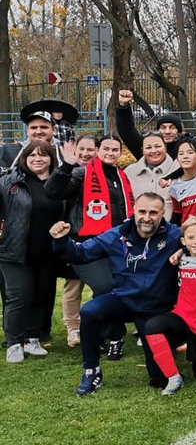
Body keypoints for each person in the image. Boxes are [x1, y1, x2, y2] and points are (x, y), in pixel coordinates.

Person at [49, 192, 182, 395]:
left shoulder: (174, 234)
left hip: (155, 310)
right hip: (124, 300)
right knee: (90, 311)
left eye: (153, 213)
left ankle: (173, 347)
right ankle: (91, 371)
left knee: (159, 379)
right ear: (134, 211)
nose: (147, 217)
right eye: (142, 211)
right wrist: (61, 240)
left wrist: (186, 249)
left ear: (163, 213)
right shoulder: (116, 235)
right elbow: (80, 254)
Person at [45, 135, 134, 359]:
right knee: (105, 287)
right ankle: (109, 333)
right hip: (87, 243)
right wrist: (66, 165)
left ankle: (108, 336)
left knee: (114, 289)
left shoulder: (122, 176)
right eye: (106, 148)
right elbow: (54, 192)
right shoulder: (81, 173)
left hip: (116, 243)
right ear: (97, 150)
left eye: (115, 149)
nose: (110, 153)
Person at [143, 215, 196, 395]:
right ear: (183, 240)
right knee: (152, 327)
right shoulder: (179, 258)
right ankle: (174, 377)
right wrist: (182, 251)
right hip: (182, 318)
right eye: (191, 238)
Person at [0, 141, 64, 362]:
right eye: (33, 155)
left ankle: (32, 338)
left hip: (47, 252)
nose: (38, 159)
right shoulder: (10, 182)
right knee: (19, 296)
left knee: (41, 295)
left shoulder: (57, 184)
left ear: (50, 158)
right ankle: (13, 342)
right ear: (24, 158)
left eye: (43, 155)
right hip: (16, 251)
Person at [60, 134, 99, 347]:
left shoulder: (103, 174)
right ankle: (72, 327)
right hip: (75, 234)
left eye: (90, 150)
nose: (85, 154)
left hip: (98, 235)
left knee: (100, 284)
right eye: (81, 149)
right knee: (73, 285)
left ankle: (95, 323)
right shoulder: (70, 173)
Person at [123, 132, 177, 219]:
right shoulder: (129, 172)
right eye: (148, 147)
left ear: (165, 148)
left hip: (170, 228)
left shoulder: (178, 169)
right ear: (142, 150)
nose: (154, 151)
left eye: (158, 146)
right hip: (138, 227)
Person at [116, 89, 183, 159]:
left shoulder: (187, 148)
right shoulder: (147, 146)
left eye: (172, 127)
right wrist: (123, 107)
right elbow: (127, 132)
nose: (167, 131)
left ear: (178, 131)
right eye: (163, 128)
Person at [0, 103, 62, 170]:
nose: (38, 132)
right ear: (27, 131)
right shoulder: (9, 152)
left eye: (44, 127)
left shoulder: (65, 153)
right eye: (33, 128)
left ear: (54, 130)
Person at [167, 139, 196, 224]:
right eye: (181, 153)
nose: (185, 156)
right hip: (189, 232)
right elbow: (178, 212)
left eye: (190, 152)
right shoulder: (173, 186)